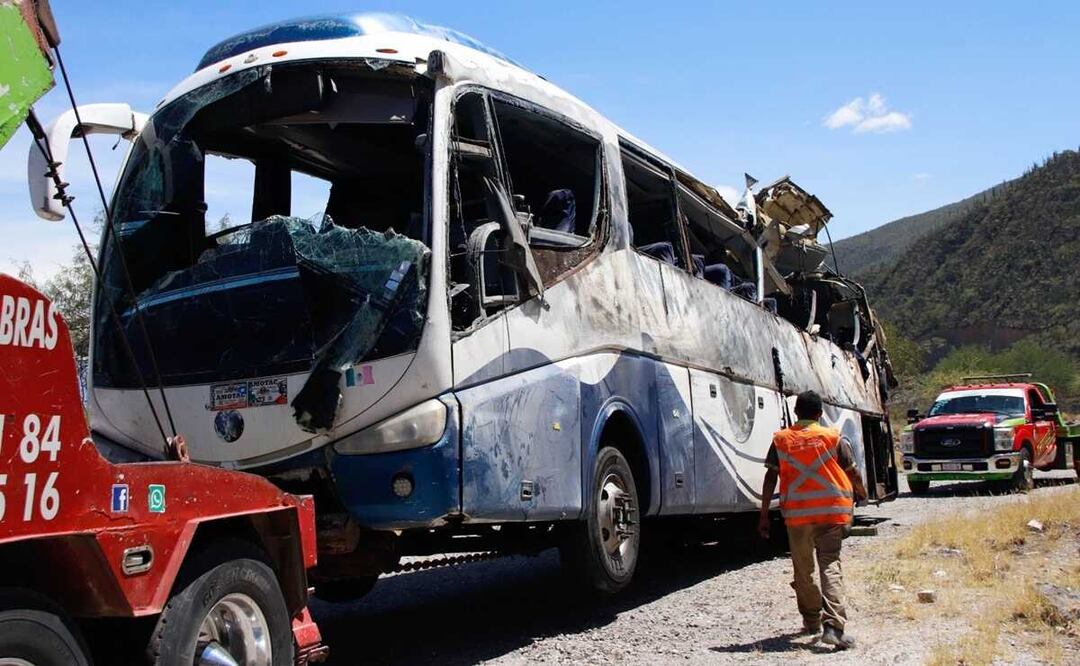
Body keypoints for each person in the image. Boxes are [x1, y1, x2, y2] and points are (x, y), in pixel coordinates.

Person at [758, 390, 867, 650]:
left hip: (797, 516)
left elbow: (770, 478)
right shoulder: (832, 438)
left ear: (796, 413)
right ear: (820, 414)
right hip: (831, 512)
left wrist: (763, 515)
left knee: (803, 569)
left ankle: (811, 621)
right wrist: (861, 494)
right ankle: (834, 627)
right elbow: (852, 472)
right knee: (829, 565)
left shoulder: (782, 440)